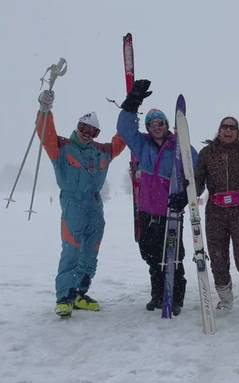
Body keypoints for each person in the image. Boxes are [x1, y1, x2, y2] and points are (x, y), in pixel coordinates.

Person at [35, 90, 126, 317]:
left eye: (92, 131)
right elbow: (45, 133)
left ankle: (78, 293)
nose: (87, 134)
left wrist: (129, 111)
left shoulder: (102, 151)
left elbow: (123, 138)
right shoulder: (62, 147)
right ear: (77, 127)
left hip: (95, 207)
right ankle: (64, 297)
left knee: (90, 254)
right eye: (84, 128)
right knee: (71, 252)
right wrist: (45, 110)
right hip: (73, 205)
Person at [116, 79, 197, 316]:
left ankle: (175, 297)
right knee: (150, 256)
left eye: (161, 123)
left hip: (171, 212)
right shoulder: (141, 145)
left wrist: (186, 194)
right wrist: (133, 102)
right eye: (152, 124)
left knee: (173, 256)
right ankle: (157, 295)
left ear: (167, 125)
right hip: (147, 212)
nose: (157, 127)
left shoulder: (180, 147)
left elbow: (196, 173)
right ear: (148, 127)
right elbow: (124, 129)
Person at [195, 116, 239, 315]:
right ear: (219, 129)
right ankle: (225, 299)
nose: (228, 130)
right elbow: (198, 182)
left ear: (238, 132)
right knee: (218, 257)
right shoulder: (207, 153)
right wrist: (189, 188)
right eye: (225, 127)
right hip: (215, 211)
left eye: (233, 128)